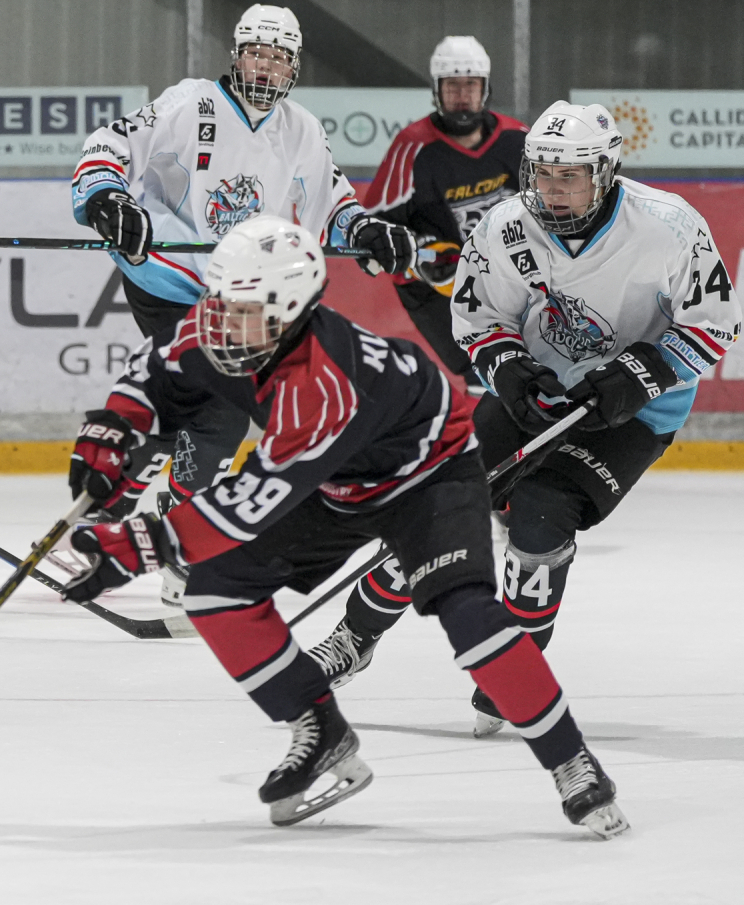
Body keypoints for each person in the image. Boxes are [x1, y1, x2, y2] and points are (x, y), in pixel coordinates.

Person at [57, 216, 626, 837]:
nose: (222, 323)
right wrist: (110, 431)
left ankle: (572, 762)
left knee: (468, 614)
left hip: (428, 478)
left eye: (245, 311)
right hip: (337, 480)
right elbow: (154, 370)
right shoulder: (223, 324)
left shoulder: (322, 386)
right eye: (220, 302)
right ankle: (320, 730)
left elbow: (245, 506)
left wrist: (137, 545)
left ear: (290, 313)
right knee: (216, 591)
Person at [308, 102, 738, 734]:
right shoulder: (505, 226)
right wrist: (511, 372)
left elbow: (716, 324)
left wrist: (640, 373)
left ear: (605, 172)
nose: (552, 190)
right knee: (435, 510)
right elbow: (479, 319)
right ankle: (355, 635)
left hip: (636, 409)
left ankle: (514, 665)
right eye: (542, 174)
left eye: (570, 176)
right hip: (536, 393)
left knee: (540, 516)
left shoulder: (669, 226)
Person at [69, 3, 415, 601]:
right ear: (237, 54)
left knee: (197, 406)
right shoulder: (191, 102)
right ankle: (173, 538)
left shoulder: (302, 129)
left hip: (239, 296)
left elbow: (333, 201)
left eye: (279, 58)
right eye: (257, 53)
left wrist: (364, 229)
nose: (265, 67)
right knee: (218, 411)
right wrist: (108, 198)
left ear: (294, 67)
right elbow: (112, 143)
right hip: (167, 278)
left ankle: (121, 509)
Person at [357, 36, 528, 391]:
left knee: (537, 362)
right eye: (453, 86)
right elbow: (372, 226)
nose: (462, 96)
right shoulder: (413, 147)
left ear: (485, 89)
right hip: (438, 291)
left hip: (508, 277)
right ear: (437, 91)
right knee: (483, 374)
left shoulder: (518, 140)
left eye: (471, 85)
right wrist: (415, 255)